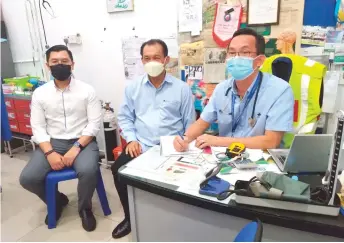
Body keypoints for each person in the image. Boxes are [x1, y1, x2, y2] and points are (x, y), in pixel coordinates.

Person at [111, 39, 195, 239]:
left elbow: (190, 123)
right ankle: (130, 218)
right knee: (118, 171)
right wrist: (131, 140)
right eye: (147, 58)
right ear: (141, 61)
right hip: (141, 145)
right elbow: (124, 117)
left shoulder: (182, 89)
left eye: (156, 57)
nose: (151, 62)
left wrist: (184, 141)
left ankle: (172, 222)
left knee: (180, 184)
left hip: (172, 148)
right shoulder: (133, 88)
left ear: (166, 59)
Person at [19, 45, 102, 232]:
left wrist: (76, 147)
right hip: (52, 141)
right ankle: (56, 202)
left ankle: (85, 209)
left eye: (64, 61)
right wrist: (49, 152)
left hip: (83, 141)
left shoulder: (87, 90)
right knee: (28, 178)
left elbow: (93, 125)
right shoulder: (40, 93)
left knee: (88, 170)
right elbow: (38, 127)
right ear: (47, 65)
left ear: (72, 64)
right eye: (55, 62)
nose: (60, 65)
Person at [173, 28, 294, 151]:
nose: (236, 58)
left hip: (261, 160)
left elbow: (271, 141)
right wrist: (185, 139)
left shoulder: (280, 90)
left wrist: (219, 141)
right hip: (225, 157)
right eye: (231, 53)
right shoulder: (222, 89)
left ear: (259, 60)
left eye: (244, 52)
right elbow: (201, 123)